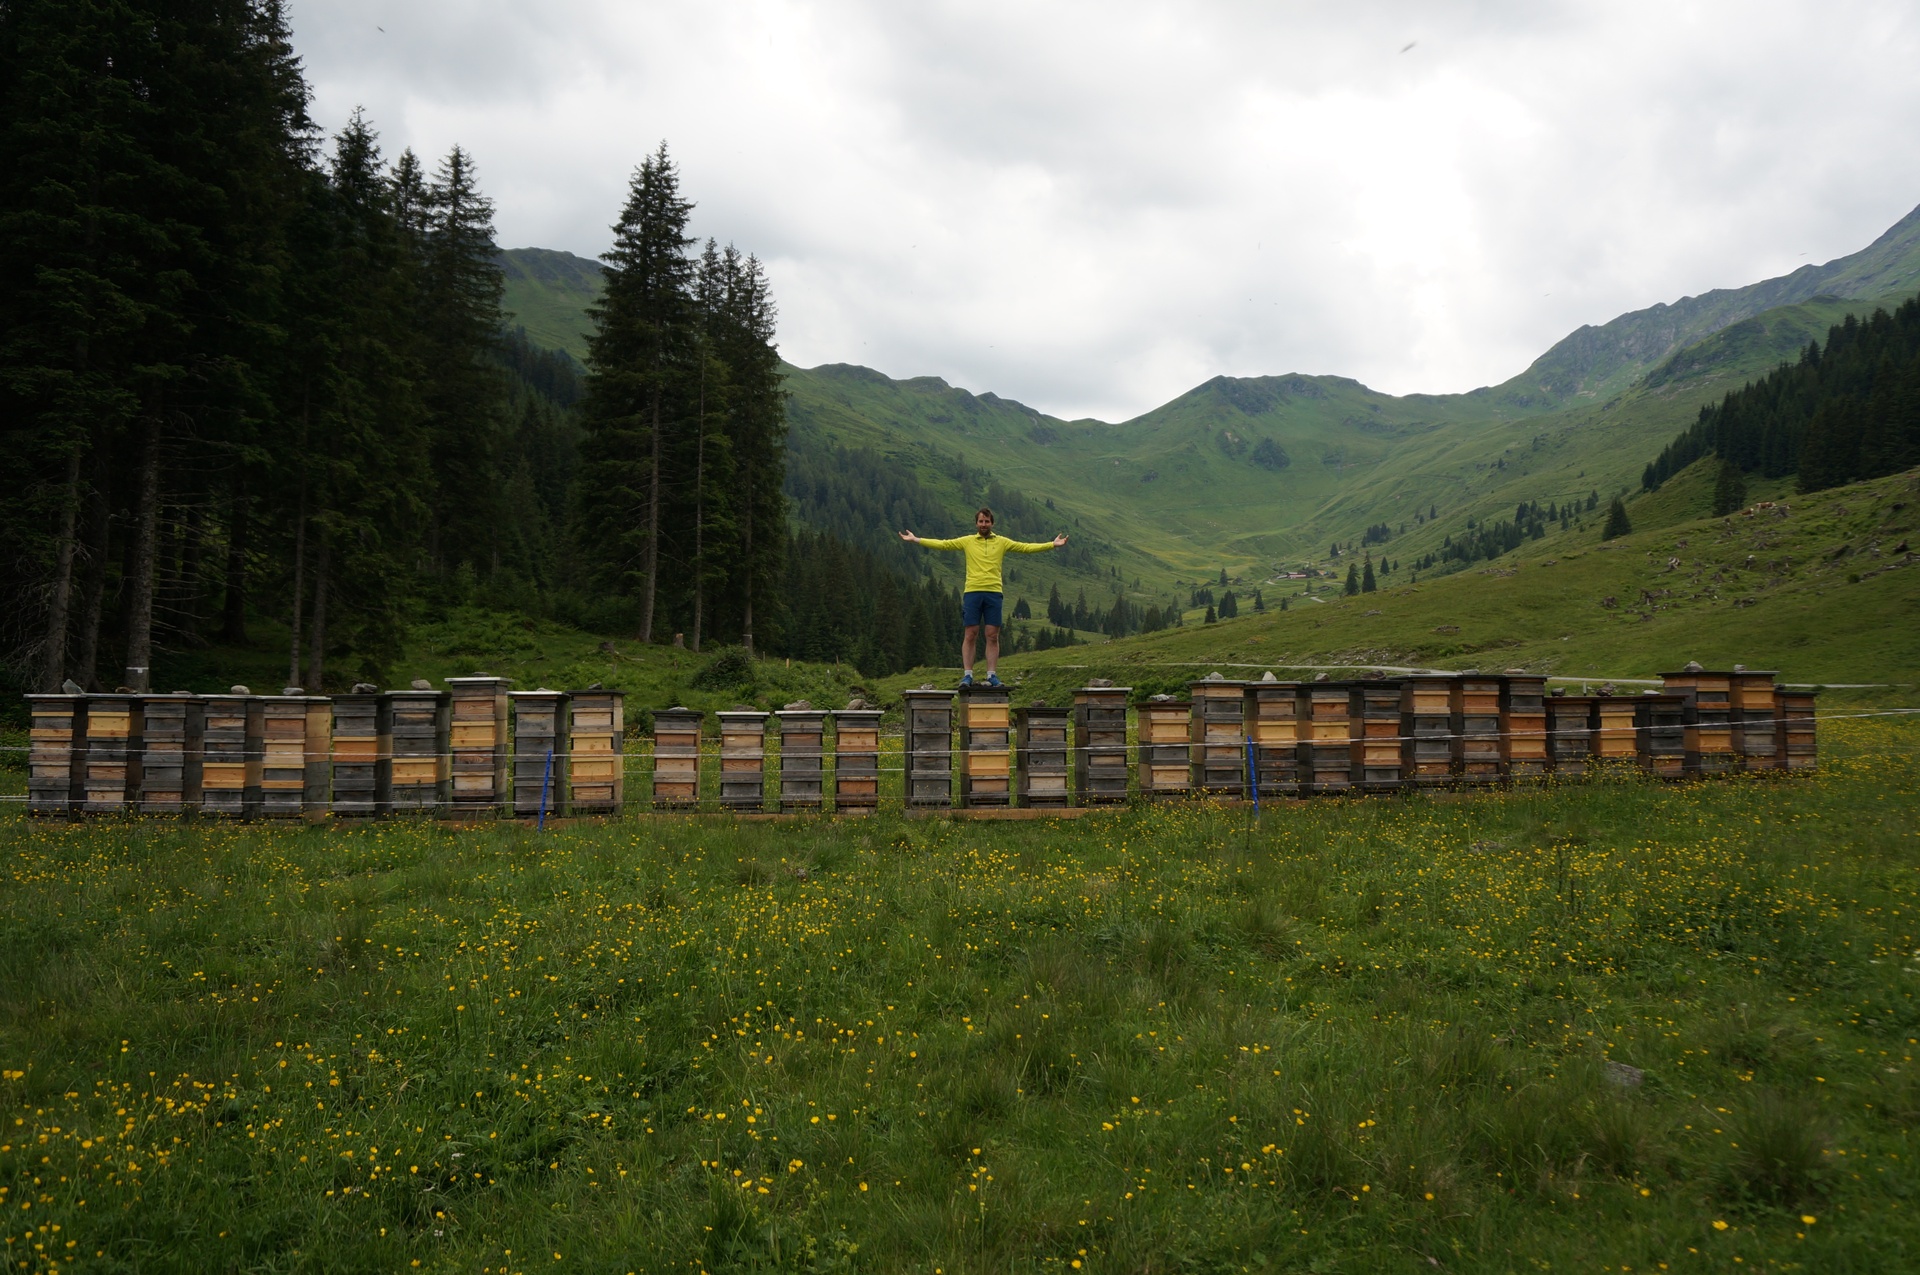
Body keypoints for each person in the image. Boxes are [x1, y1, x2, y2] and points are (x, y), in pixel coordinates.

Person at [900, 508, 1067, 687]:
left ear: (992, 523)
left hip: (994, 593)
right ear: (976, 523)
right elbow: (944, 544)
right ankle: (967, 675)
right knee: (970, 634)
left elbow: (1025, 547)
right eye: (981, 521)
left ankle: (991, 675)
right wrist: (916, 539)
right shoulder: (967, 541)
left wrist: (1052, 544)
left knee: (992, 635)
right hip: (972, 592)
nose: (984, 524)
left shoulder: (1002, 542)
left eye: (987, 521)